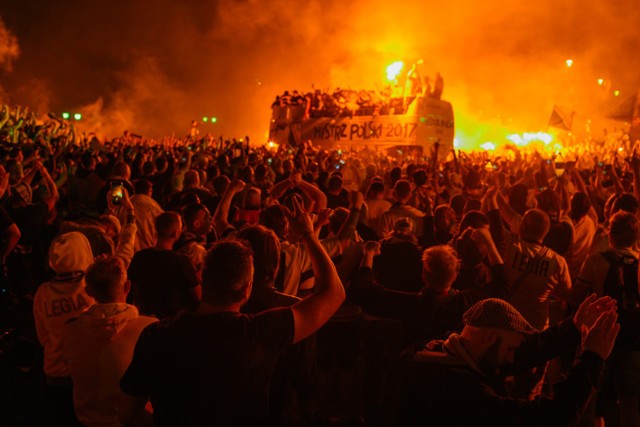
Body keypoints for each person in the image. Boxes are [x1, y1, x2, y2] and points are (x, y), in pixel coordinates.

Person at [120, 197, 345, 426]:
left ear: (201, 278)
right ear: (246, 290)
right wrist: (308, 233)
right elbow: (334, 293)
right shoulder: (259, 333)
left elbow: (129, 412)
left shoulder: (156, 335)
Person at [399, 296, 619, 426]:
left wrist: (572, 328)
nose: (513, 357)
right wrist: (592, 358)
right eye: (510, 348)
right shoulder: (461, 392)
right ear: (490, 336)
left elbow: (526, 352)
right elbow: (546, 418)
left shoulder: (440, 352)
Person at [62, 255, 157, 427]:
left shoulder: (70, 331)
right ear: (127, 287)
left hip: (86, 421)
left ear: (89, 292)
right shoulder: (149, 329)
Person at [33, 232, 96, 426]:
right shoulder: (91, 288)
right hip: (87, 372)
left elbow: (43, 337)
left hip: (55, 372)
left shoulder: (43, 293)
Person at [127, 211, 200, 318]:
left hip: (145, 318)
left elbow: (130, 287)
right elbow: (197, 295)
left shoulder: (140, 257)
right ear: (175, 233)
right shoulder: (181, 261)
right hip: (172, 321)